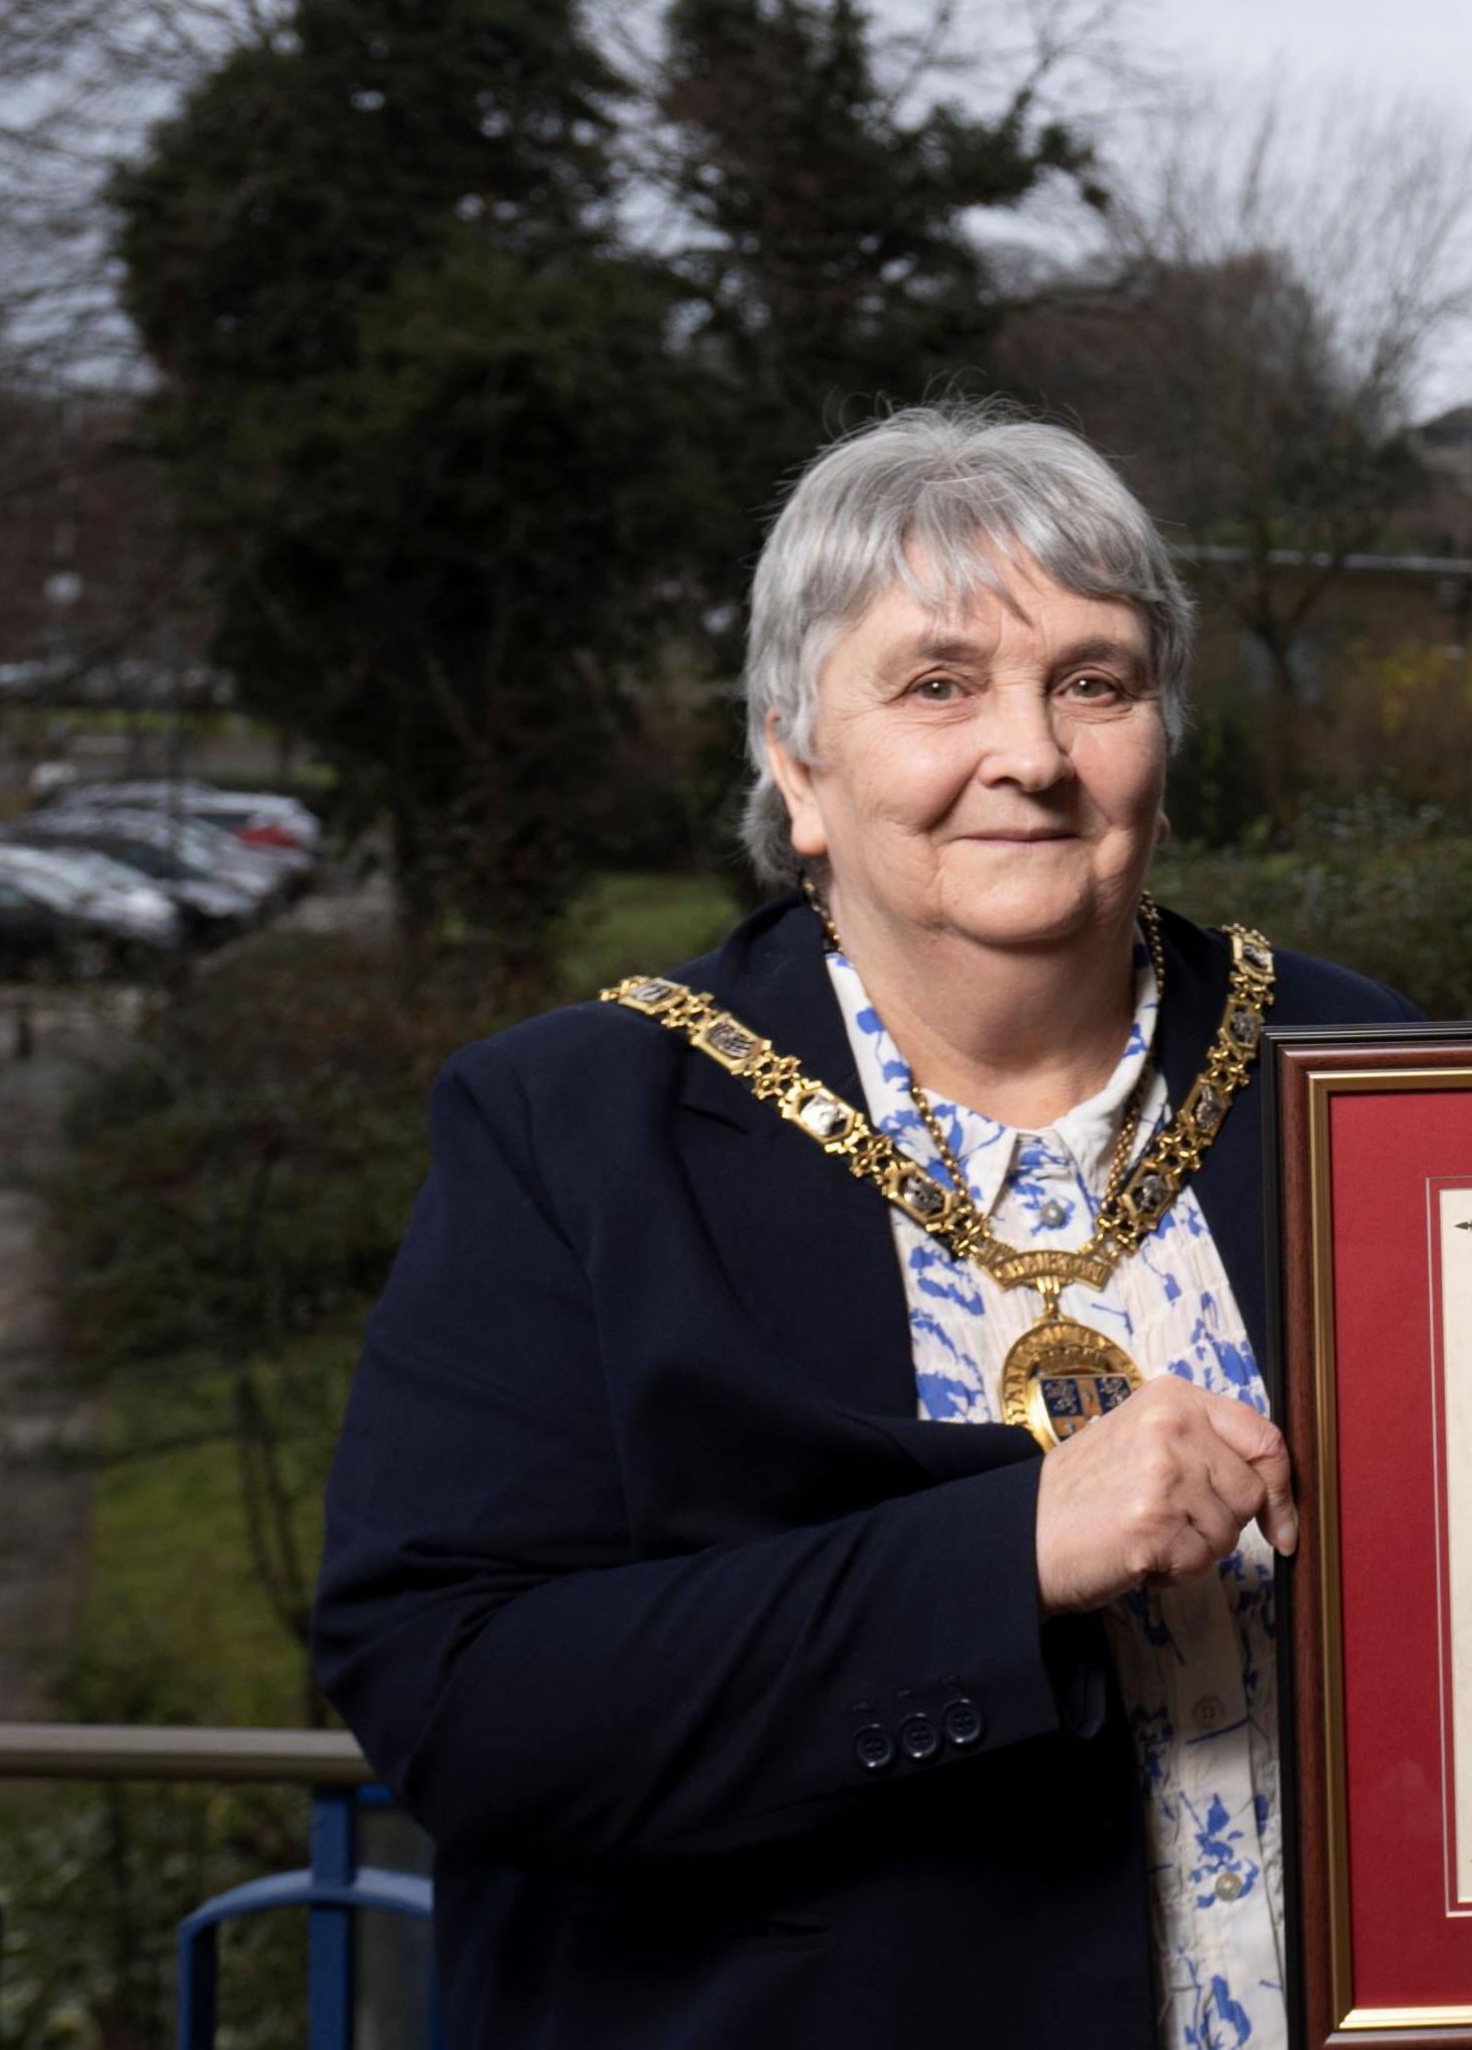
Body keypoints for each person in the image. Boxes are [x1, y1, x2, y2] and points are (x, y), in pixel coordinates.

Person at [312, 405, 1412, 2047]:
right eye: (938, 684)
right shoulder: (577, 1128)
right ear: (796, 763)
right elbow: (461, 1700)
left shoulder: (1371, 1071)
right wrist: (1011, 1554)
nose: (1029, 751)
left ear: (1160, 749)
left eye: (1094, 682)